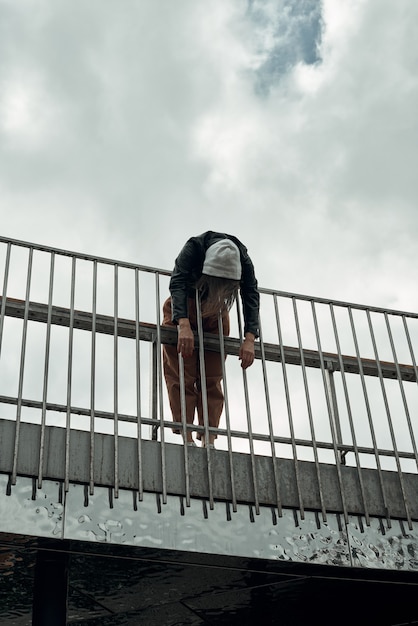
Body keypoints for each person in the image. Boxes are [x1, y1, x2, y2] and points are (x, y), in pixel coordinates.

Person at [162, 231, 259, 448]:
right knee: (180, 372)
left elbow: (251, 295)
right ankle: (186, 435)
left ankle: (209, 437)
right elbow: (177, 282)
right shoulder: (194, 247)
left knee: (212, 375)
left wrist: (250, 339)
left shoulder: (243, 260)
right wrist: (183, 325)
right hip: (183, 306)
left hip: (216, 312)